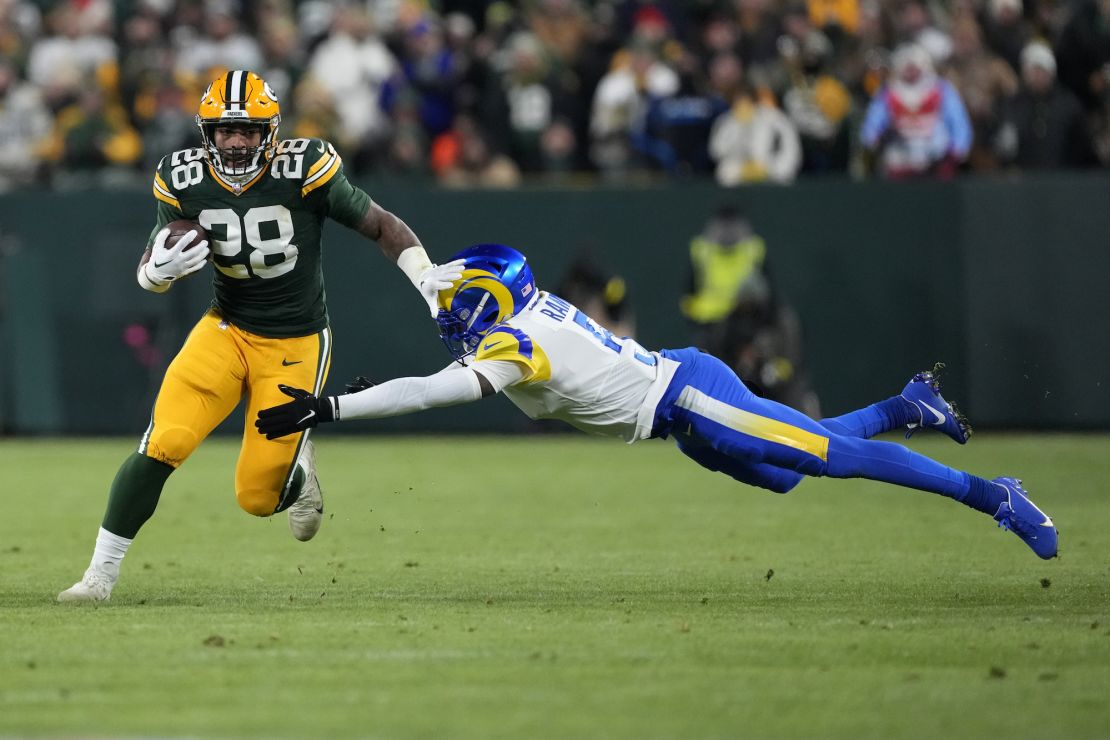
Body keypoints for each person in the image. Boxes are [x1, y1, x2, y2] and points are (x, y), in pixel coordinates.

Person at [255, 244, 1059, 562]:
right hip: (676, 404)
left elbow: (434, 392)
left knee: (824, 458)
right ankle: (903, 405)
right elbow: (432, 277)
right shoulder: (514, 312)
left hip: (687, 396)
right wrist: (416, 266)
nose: (448, 320)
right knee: (787, 473)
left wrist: (330, 410)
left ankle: (994, 495)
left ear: (486, 306)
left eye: (457, 309)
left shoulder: (513, 344)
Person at [57, 69, 463, 603]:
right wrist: (154, 273)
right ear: (207, 131)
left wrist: (425, 275)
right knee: (164, 442)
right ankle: (99, 578)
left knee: (254, 496)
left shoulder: (305, 168)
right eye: (226, 130)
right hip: (224, 328)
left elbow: (381, 224)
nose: (236, 141)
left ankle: (299, 472)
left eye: (249, 130)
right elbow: (155, 257)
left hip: (295, 342)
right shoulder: (181, 177)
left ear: (270, 130)